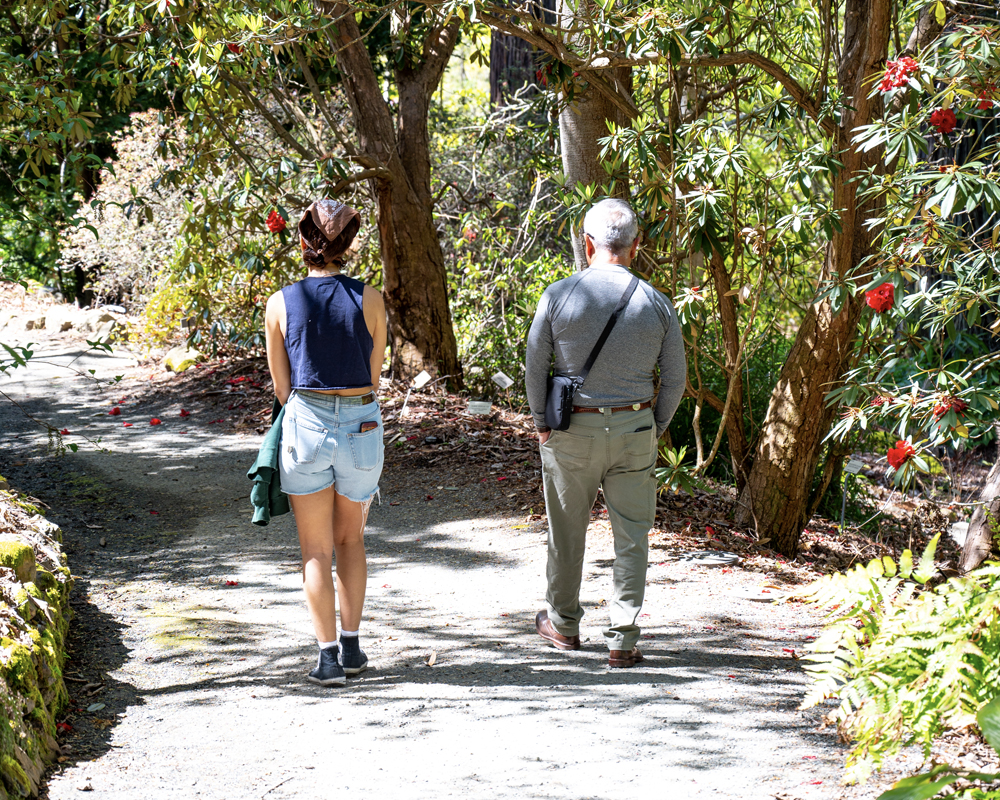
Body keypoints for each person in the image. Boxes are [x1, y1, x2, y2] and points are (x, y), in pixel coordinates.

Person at [525, 198, 686, 668]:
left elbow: (536, 369)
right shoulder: (657, 303)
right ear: (635, 247)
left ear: (587, 241)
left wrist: (541, 422)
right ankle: (623, 639)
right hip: (635, 426)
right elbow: (674, 378)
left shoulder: (558, 295)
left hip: (572, 430)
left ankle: (564, 624)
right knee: (632, 536)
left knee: (566, 529)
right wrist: (653, 426)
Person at [264, 199, 387, 687]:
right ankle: (354, 648)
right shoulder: (371, 299)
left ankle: (328, 659)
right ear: (348, 246)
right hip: (361, 425)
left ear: (302, 242)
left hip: (307, 423)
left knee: (315, 549)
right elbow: (373, 376)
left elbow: (280, 385)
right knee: (351, 539)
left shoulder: (281, 303)